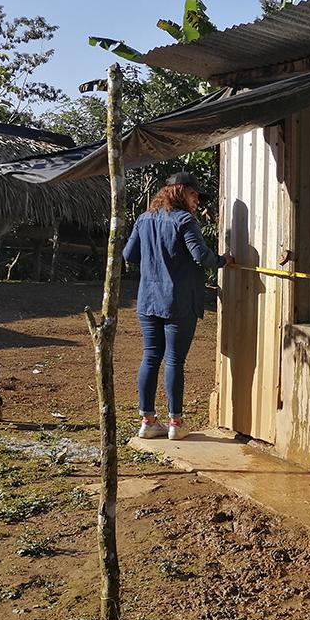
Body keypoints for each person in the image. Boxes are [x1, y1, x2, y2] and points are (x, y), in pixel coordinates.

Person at [123, 171, 233, 441]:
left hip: (147, 299)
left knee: (150, 357)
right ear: (181, 191)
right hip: (178, 302)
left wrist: (155, 256)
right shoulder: (185, 220)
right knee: (174, 359)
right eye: (194, 195)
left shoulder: (144, 219)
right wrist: (223, 260)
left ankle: (148, 422)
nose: (197, 201)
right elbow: (200, 256)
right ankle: (176, 423)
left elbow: (129, 254)